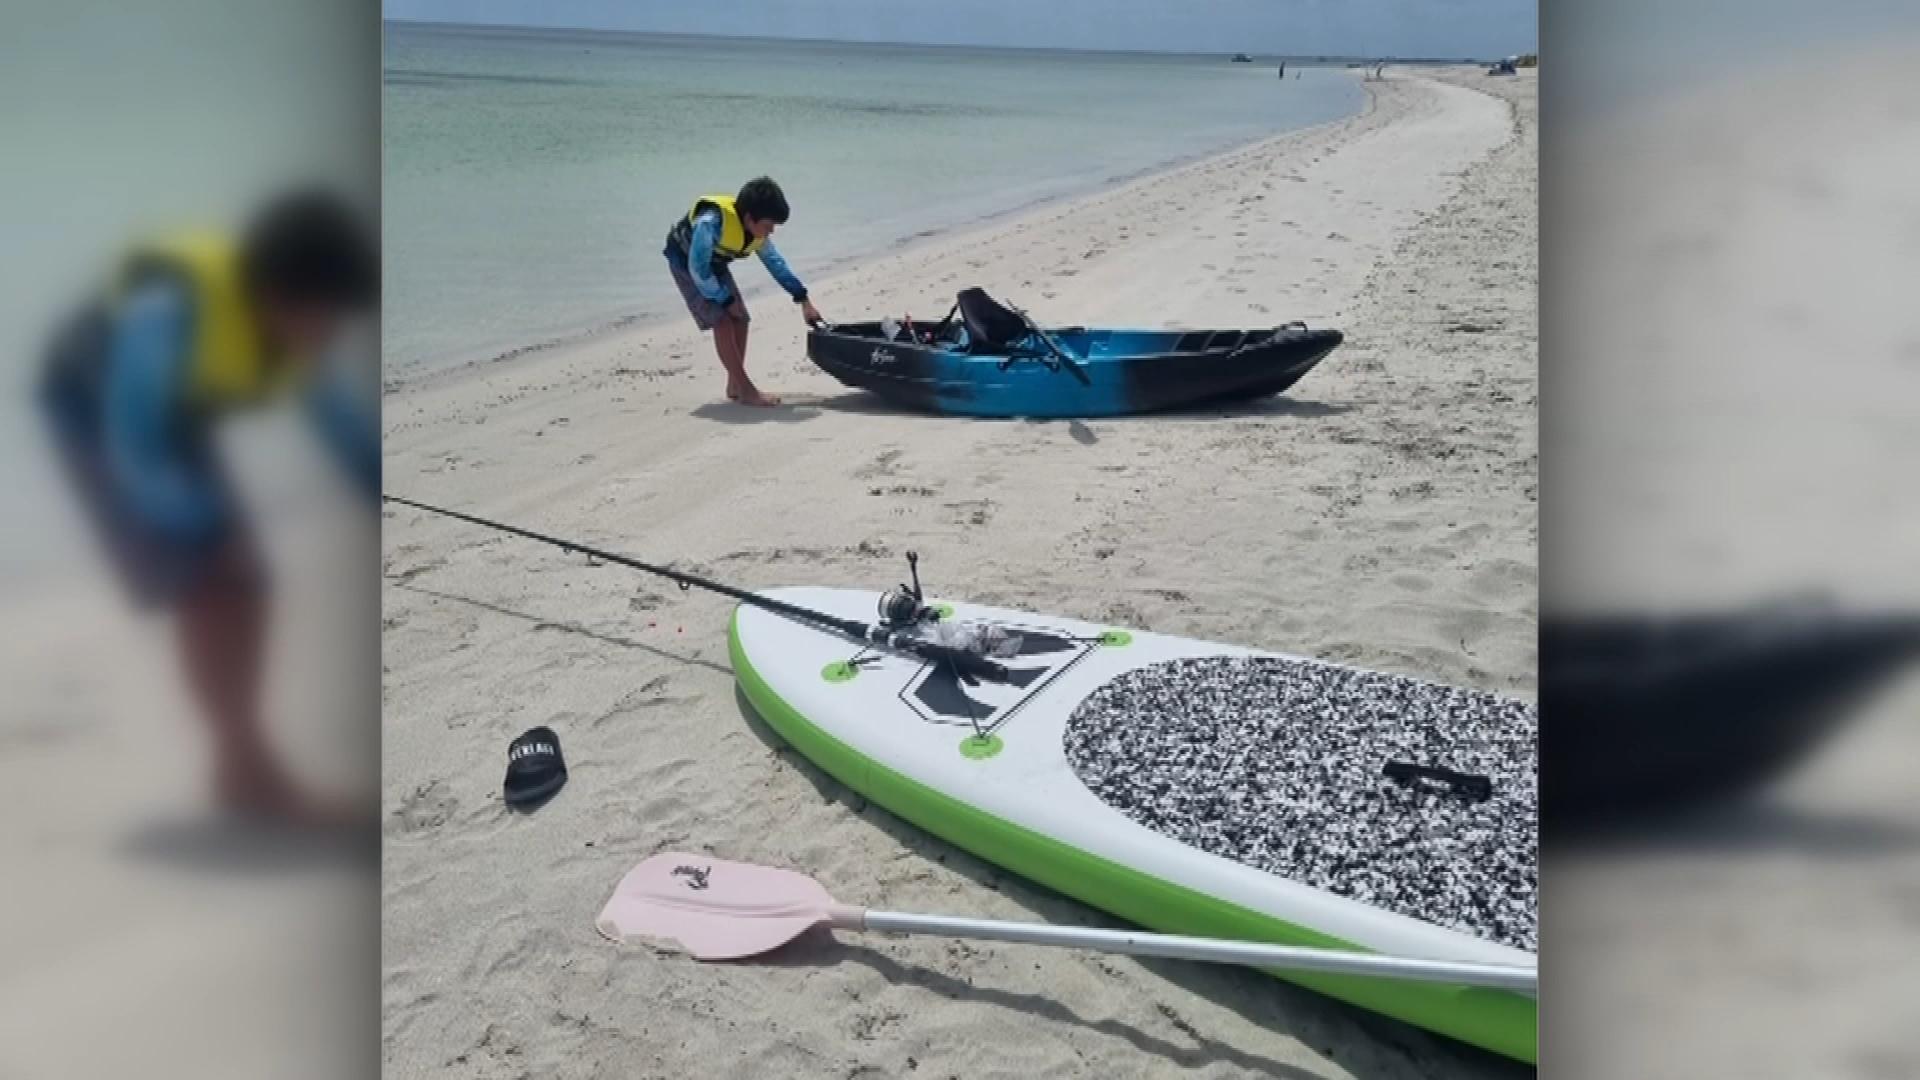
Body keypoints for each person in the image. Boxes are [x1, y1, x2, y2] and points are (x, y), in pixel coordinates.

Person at [36, 188, 380, 826]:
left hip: (173, 413)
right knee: (211, 575)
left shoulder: (296, 327)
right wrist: (201, 525)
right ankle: (246, 771)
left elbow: (342, 428)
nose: (328, 333)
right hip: (93, 405)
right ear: (276, 294)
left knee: (246, 578)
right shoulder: (166, 309)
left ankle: (241, 765)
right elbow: (134, 442)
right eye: (321, 316)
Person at [663, 176, 824, 407]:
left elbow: (776, 264)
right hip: (688, 264)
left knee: (740, 318)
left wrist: (803, 300)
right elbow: (698, 271)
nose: (771, 232)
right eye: (769, 226)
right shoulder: (710, 223)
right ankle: (747, 390)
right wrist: (724, 299)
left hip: (714, 265)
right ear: (750, 218)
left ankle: (735, 385)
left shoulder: (756, 233)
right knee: (722, 321)